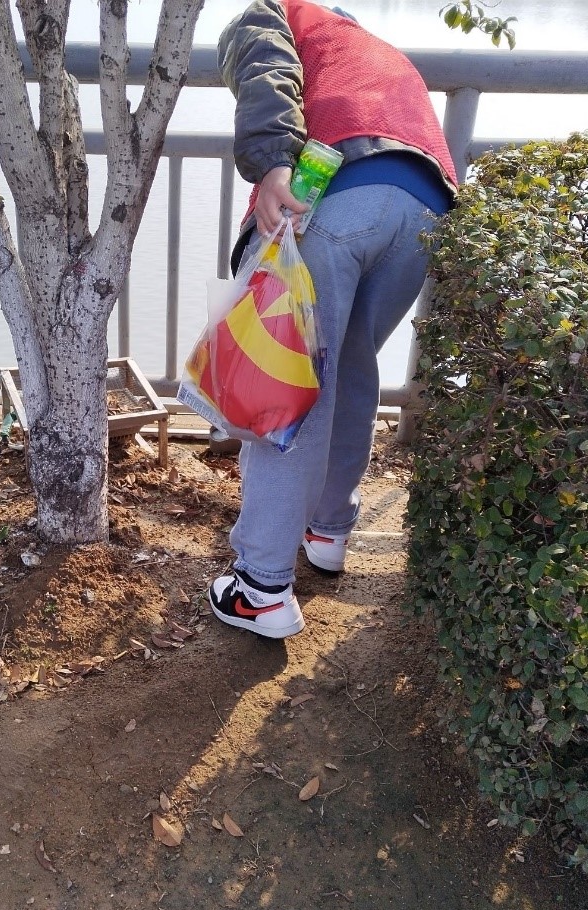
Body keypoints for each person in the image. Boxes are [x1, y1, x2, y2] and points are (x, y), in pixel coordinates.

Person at [208, 0, 459, 639]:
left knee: (288, 385)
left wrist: (272, 167)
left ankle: (261, 589)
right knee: (348, 370)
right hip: (424, 206)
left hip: (335, 196)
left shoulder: (280, 11)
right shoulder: (369, 47)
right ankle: (327, 532)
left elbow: (264, 67)